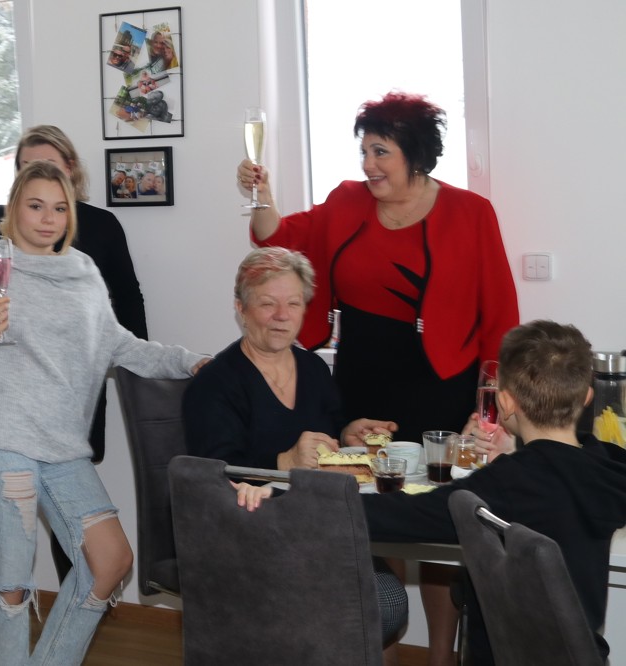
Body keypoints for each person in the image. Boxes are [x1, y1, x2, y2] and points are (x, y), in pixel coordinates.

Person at [237, 91, 519, 665]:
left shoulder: (471, 212)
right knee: (372, 510)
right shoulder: (346, 201)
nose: (368, 164)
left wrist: (491, 407)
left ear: (415, 154)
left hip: (441, 383)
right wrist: (260, 195)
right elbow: (276, 236)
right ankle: (382, 646)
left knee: (439, 522)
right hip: (363, 382)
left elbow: (500, 316)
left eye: (380, 151)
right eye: (364, 151)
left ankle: (440, 655)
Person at [0, 160, 206, 665]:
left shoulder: (84, 274)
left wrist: (192, 362)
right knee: (13, 584)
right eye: (36, 206)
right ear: (13, 210)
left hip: (62, 449)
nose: (48, 219)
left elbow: (123, 346)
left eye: (59, 209)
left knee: (111, 561)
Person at [233, 320, 626, 665]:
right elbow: (557, 474)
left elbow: (394, 514)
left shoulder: (505, 484)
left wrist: (286, 500)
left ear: (505, 402)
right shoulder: (608, 468)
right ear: (586, 397)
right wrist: (515, 452)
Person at [0, 124, 148, 656]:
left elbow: (126, 316)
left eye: (56, 200)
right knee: (12, 573)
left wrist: (162, 366)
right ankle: (5, 641)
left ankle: (48, 639)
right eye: (27, 179)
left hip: (67, 417)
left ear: (71, 177)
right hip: (3, 428)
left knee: (97, 552)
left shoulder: (94, 243)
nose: (46, 214)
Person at [182, 247, 407, 645]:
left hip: (317, 525)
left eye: (293, 303)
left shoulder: (314, 369)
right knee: (381, 604)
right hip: (248, 536)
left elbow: (328, 434)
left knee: (386, 602)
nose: (282, 315)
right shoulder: (215, 383)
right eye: (267, 304)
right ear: (241, 309)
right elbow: (214, 477)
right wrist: (285, 460)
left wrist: (348, 435)